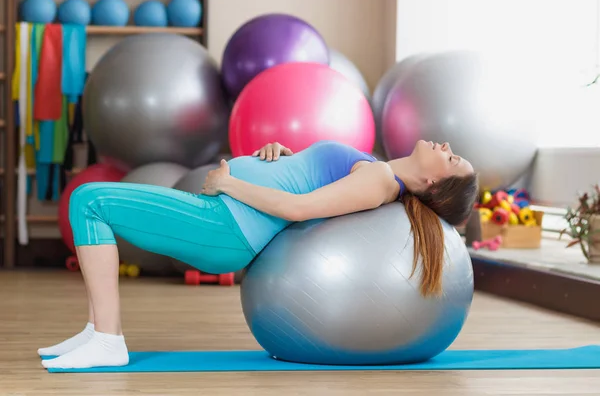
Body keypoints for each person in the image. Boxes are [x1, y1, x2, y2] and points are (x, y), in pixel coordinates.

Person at [39, 139, 478, 370]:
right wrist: (281, 157)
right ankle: (97, 330)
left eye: (452, 158)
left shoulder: (381, 180)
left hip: (226, 225)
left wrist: (231, 183)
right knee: (89, 202)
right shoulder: (375, 167)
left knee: (90, 200)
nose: (446, 147)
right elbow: (306, 186)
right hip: (226, 218)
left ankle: (108, 340)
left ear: (434, 186)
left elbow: (298, 208)